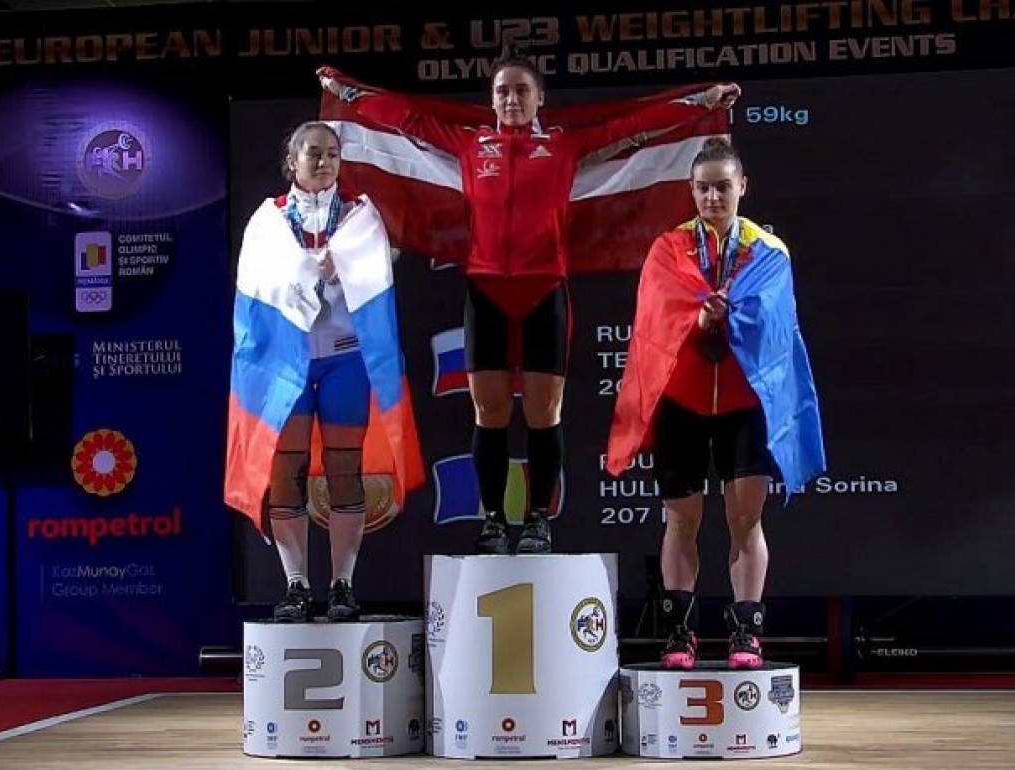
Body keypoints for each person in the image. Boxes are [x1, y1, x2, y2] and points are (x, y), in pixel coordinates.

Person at [319, 49, 741, 555]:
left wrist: (701, 102)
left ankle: (539, 519)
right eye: (503, 91)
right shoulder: (471, 144)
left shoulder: (563, 144)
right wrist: (350, 94)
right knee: (490, 411)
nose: (512, 100)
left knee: (544, 412)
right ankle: (494, 521)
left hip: (544, 291)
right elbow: (409, 120)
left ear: (540, 98)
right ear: (492, 99)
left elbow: (632, 125)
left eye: (522, 91)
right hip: (486, 291)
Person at [606, 139, 825, 669]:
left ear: (742, 187)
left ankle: (746, 633)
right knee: (680, 520)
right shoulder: (668, 249)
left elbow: (775, 327)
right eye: (703, 188)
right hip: (682, 400)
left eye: (723, 187)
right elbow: (656, 321)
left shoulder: (769, 252)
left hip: (744, 404)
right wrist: (696, 318)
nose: (712, 197)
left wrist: (734, 316)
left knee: (745, 519)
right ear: (691, 189)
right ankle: (680, 634)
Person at [225, 121, 422, 622]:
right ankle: (295, 585)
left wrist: (346, 265)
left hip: (345, 358)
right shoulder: (268, 220)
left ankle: (341, 586)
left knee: (344, 469)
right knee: (285, 469)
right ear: (291, 161)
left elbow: (375, 273)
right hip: (286, 361)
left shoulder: (359, 216)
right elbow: (256, 283)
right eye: (313, 153)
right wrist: (302, 269)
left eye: (332, 153)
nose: (324, 162)